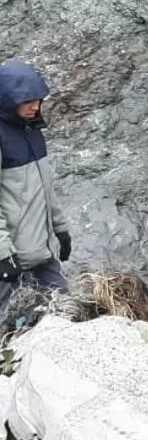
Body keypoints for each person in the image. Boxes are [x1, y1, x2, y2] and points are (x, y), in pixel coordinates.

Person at [0, 60, 70, 314]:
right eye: (26, 100)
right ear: (8, 98)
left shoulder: (32, 130)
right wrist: (3, 254)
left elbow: (46, 187)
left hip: (43, 253)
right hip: (11, 259)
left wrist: (61, 230)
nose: (35, 106)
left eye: (38, 100)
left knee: (65, 314)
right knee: (9, 329)